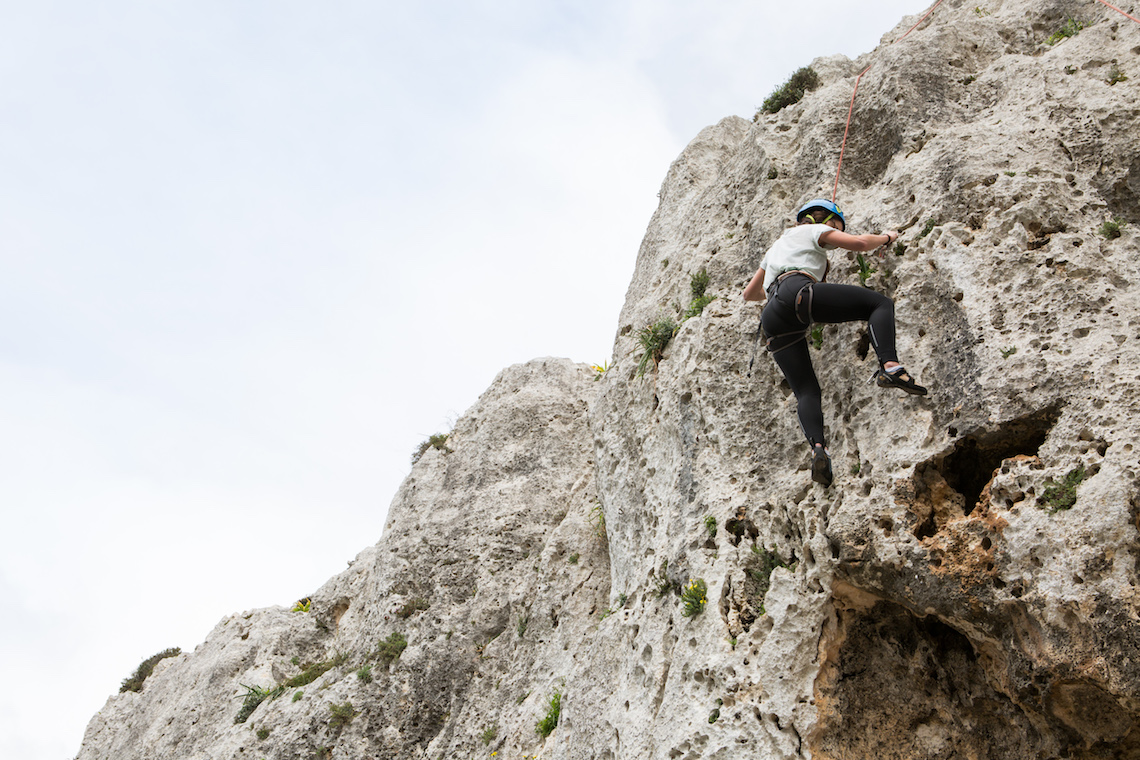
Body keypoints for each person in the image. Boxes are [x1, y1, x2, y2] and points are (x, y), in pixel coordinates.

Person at [743, 199, 927, 487]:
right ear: (828, 221)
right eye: (837, 227)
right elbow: (861, 243)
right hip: (797, 291)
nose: (836, 233)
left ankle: (819, 449)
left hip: (772, 318)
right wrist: (888, 237)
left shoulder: (778, 247)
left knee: (806, 390)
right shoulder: (814, 230)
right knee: (878, 304)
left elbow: (750, 294)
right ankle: (890, 367)